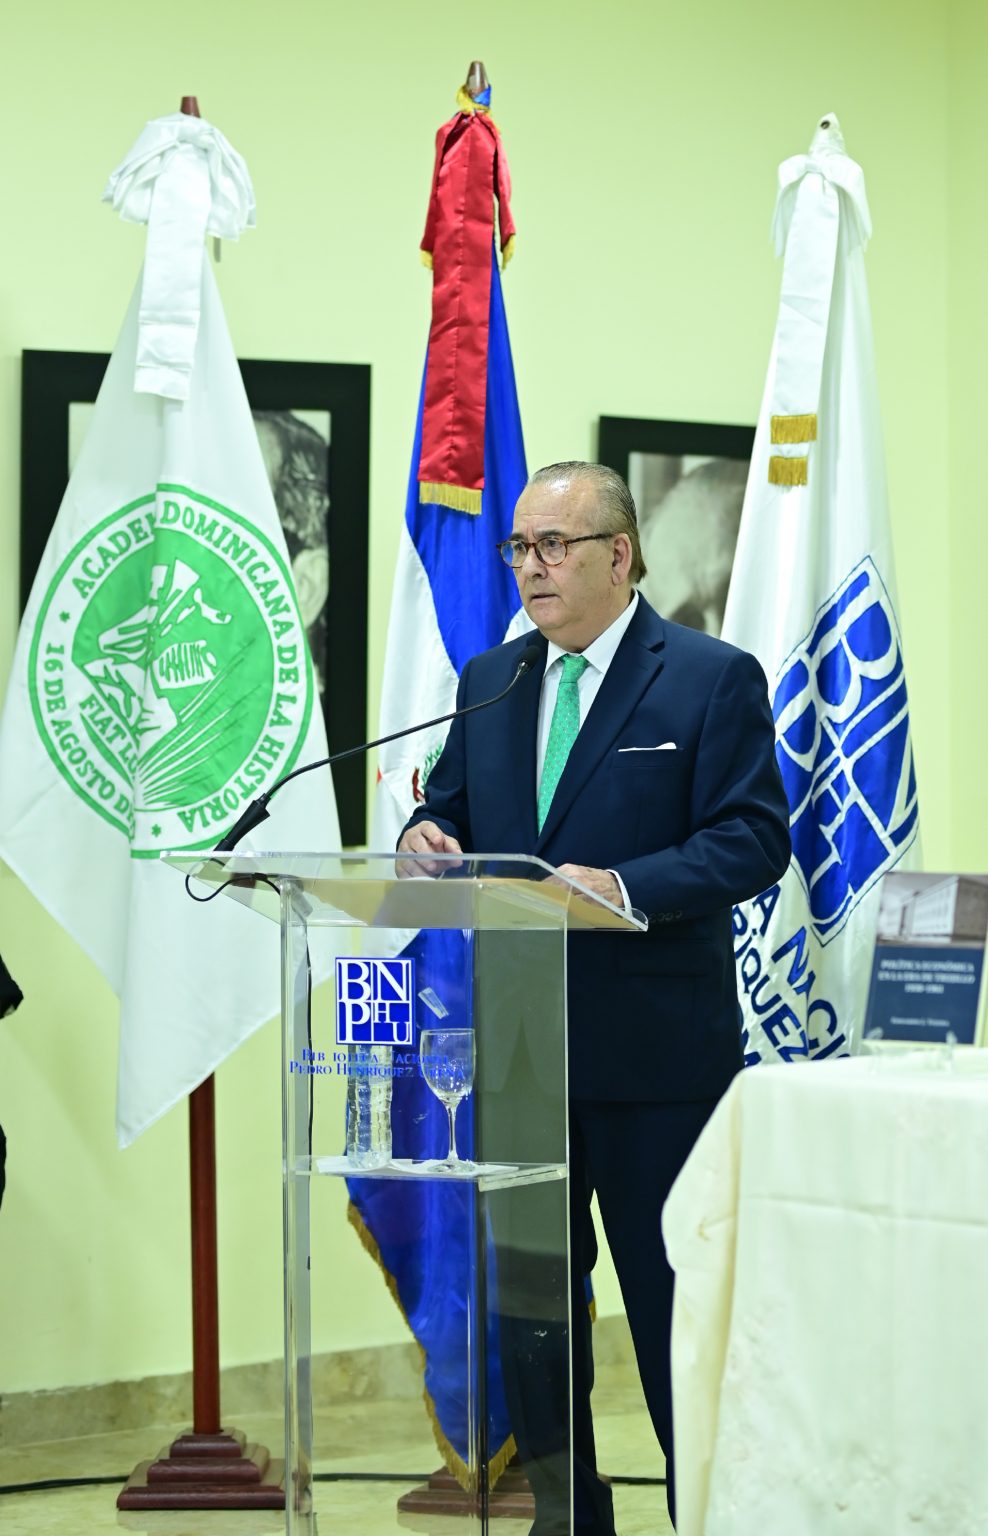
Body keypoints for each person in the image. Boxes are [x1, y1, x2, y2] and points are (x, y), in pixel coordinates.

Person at [398, 461, 791, 1533]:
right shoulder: (493, 678)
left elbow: (753, 838)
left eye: (553, 546)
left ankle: (708, 1507)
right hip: (522, 1051)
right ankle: (568, 1512)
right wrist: (425, 836)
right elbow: (453, 809)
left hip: (658, 1062)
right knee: (532, 1308)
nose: (531, 567)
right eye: (519, 547)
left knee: (674, 1309)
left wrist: (622, 886)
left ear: (619, 555)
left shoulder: (708, 677)